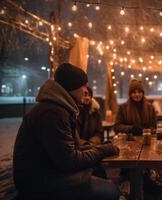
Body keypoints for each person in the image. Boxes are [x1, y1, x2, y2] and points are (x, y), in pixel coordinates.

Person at [13, 63, 120, 200]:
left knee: (98, 170)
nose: (86, 91)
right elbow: (69, 160)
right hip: (38, 182)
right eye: (83, 85)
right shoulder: (52, 113)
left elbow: (69, 147)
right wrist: (103, 151)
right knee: (111, 191)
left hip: (49, 172)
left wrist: (97, 147)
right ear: (72, 87)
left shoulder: (60, 109)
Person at [77, 86, 107, 178]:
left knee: (99, 170)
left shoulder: (95, 112)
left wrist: (92, 143)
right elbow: (73, 135)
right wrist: (86, 144)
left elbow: (99, 132)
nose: (87, 97)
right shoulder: (73, 112)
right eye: (85, 95)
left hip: (92, 146)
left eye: (89, 95)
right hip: (78, 149)